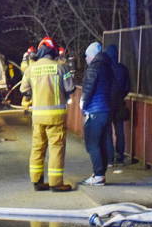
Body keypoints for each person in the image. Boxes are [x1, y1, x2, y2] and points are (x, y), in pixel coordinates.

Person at [20, 37, 75, 192]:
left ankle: (37, 182)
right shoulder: (61, 68)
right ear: (53, 51)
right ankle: (56, 183)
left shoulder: (31, 69)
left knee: (37, 148)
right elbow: (70, 88)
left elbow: (24, 90)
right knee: (56, 149)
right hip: (56, 117)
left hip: (37, 118)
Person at [80, 42, 115, 186]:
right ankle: (100, 173)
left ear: (92, 56)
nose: (86, 59)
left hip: (95, 110)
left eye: (86, 56)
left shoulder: (93, 68)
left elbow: (87, 90)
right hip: (107, 110)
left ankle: (98, 175)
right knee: (104, 143)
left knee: (92, 144)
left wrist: (83, 106)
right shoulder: (108, 67)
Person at [104, 45, 131, 166]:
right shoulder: (123, 69)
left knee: (108, 130)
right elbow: (127, 87)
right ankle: (120, 156)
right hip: (119, 102)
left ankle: (110, 159)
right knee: (119, 130)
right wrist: (121, 96)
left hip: (107, 102)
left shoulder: (105, 68)